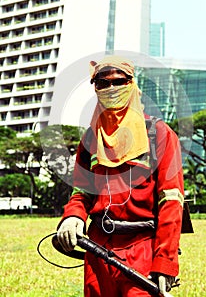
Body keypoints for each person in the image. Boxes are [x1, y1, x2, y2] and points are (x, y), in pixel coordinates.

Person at [57, 55, 184, 297]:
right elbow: (81, 194)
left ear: (132, 84)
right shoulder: (90, 139)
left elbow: (171, 201)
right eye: (102, 83)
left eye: (119, 81)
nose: (110, 88)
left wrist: (165, 263)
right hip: (97, 249)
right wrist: (72, 217)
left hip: (141, 249)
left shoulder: (160, 134)